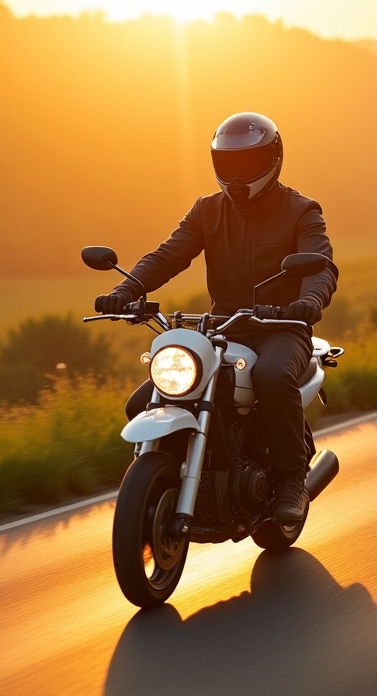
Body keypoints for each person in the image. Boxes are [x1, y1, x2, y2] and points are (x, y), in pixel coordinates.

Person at [95, 112, 337, 524]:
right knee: (143, 401)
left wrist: (309, 302)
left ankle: (291, 480)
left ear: (273, 159)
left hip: (281, 329)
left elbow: (321, 267)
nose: (238, 176)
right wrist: (127, 289)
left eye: (248, 164)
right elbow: (168, 255)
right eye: (229, 165)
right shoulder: (208, 210)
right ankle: (171, 481)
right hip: (222, 329)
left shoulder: (300, 210)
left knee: (273, 376)